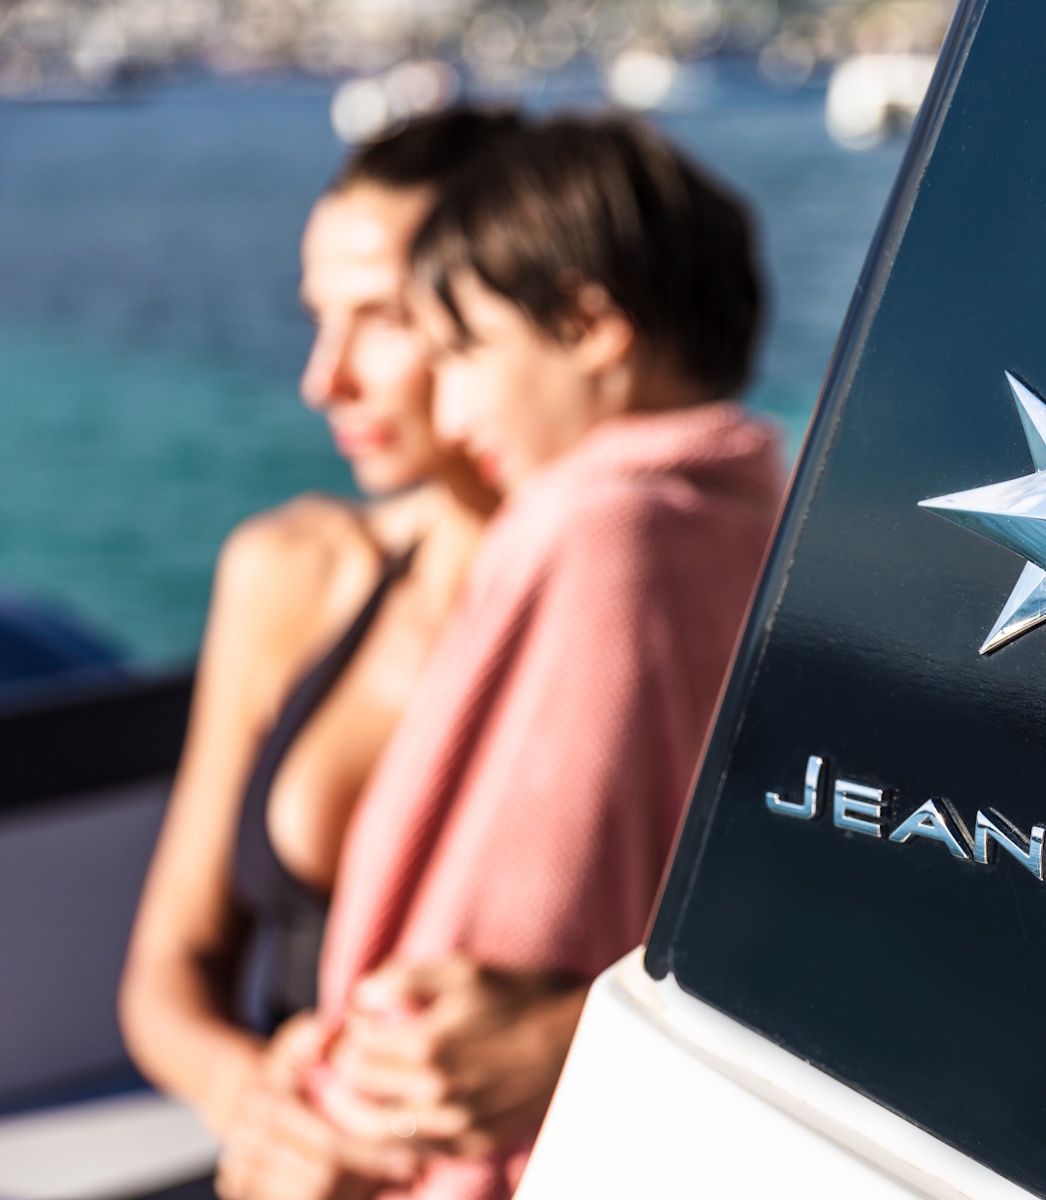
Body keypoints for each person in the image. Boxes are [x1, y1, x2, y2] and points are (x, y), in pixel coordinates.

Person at [286, 114, 783, 1200]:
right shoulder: (762, 525)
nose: (452, 405)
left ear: (590, 326)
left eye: (463, 348)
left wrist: (337, 1094)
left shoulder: (593, 527)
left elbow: (488, 942)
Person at [118, 111, 518, 1199]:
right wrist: (255, 1098)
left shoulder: (633, 614)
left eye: (380, 318)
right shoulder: (291, 572)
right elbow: (167, 970)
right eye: (318, 320)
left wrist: (558, 1038)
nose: (322, 378)